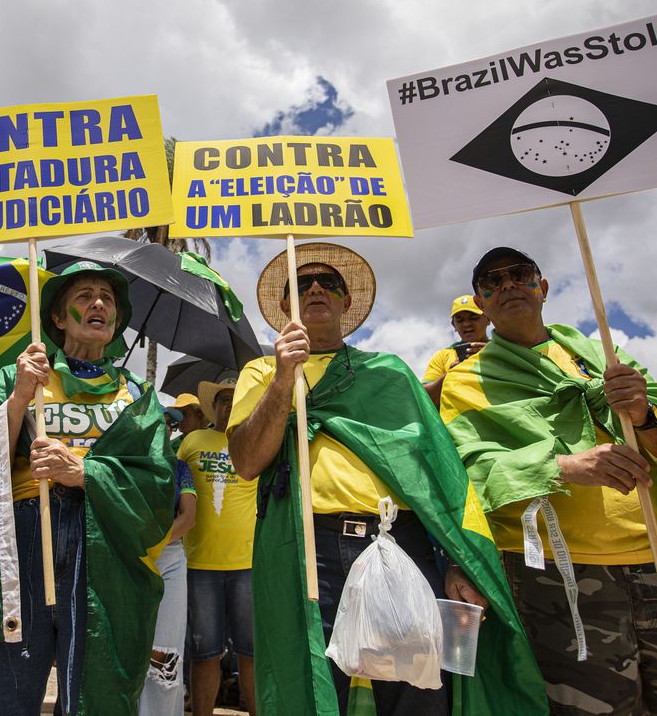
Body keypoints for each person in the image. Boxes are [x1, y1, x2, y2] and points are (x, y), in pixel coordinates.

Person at [227, 242, 548, 716]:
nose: (316, 289)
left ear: (345, 301)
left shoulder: (389, 374)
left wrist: (457, 560)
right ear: (284, 305)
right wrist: (282, 377)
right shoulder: (260, 371)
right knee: (316, 686)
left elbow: (438, 474)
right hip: (308, 546)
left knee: (417, 689)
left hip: (404, 542)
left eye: (328, 283)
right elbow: (248, 461)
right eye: (302, 285)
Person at [441, 246, 657, 715]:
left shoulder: (605, 354)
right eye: (492, 282)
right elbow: (467, 468)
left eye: (519, 275)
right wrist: (564, 467)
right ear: (481, 304)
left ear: (542, 288)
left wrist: (646, 415)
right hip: (559, 580)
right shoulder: (466, 381)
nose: (507, 285)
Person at [0, 261, 173, 715]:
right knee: (3, 687)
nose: (99, 304)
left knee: (96, 692)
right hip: (22, 542)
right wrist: (18, 400)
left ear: (116, 321)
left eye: (107, 298)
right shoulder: (19, 378)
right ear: (57, 317)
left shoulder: (137, 395)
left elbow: (158, 487)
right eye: (85, 295)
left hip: (104, 548)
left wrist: (86, 473)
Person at [178, 378, 257, 716]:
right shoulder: (193, 440)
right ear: (214, 406)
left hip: (249, 563)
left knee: (252, 654)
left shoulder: (255, 441)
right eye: (223, 399)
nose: (228, 404)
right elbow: (173, 485)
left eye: (235, 398)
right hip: (199, 565)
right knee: (204, 653)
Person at [138, 439, 197, 716]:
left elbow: (188, 518)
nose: (161, 428)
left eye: (167, 423)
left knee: (165, 654)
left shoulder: (180, 468)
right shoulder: (126, 463)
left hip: (169, 558)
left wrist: (153, 544)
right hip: (128, 557)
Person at [421, 295, 490, 406]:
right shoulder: (443, 356)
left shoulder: (502, 348)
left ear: (488, 318)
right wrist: (450, 375)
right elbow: (424, 398)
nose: (466, 324)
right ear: (454, 325)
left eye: (473, 318)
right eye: (459, 320)